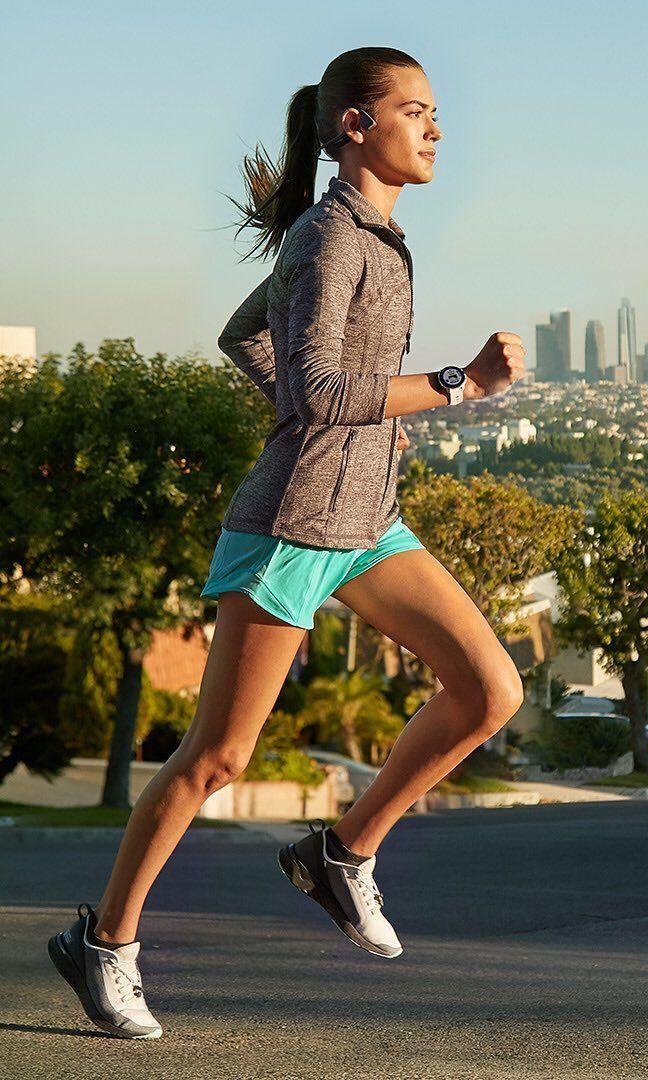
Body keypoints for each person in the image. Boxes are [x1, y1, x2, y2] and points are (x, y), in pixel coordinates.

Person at [48, 46, 527, 1040]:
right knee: (216, 758)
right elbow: (311, 390)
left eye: (437, 113)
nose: (437, 129)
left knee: (489, 690)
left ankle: (340, 856)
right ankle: (103, 946)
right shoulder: (331, 239)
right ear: (354, 125)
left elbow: (246, 334)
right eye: (417, 111)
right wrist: (453, 385)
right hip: (293, 530)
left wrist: (362, 418)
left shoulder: (373, 236)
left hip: (368, 521)